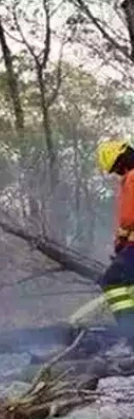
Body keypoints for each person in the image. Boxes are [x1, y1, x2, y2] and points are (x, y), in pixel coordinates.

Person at [93, 140, 134, 343]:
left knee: (112, 280)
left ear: (121, 161)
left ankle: (130, 331)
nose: (118, 174)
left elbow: (128, 217)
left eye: (117, 169)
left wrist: (121, 241)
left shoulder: (133, 177)